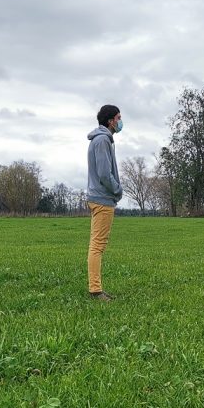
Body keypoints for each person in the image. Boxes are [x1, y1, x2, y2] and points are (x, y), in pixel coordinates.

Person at [86, 104, 123, 301]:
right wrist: (118, 189)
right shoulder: (102, 141)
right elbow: (104, 174)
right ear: (110, 121)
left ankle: (95, 288)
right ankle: (95, 290)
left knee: (96, 245)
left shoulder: (103, 140)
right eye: (118, 118)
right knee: (97, 246)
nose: (120, 122)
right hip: (102, 200)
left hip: (99, 198)